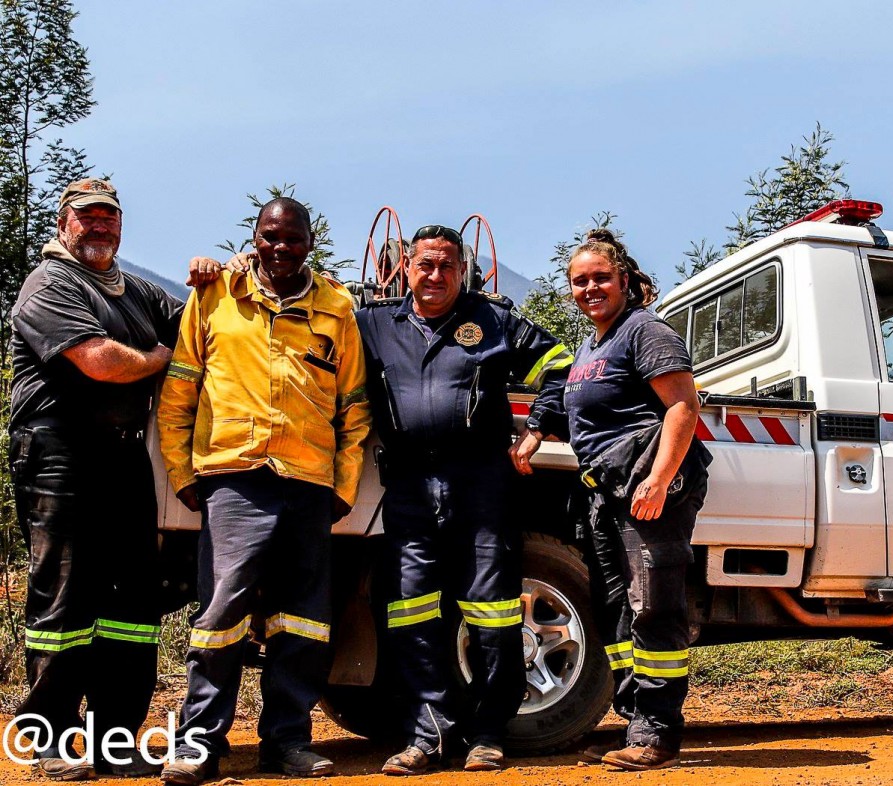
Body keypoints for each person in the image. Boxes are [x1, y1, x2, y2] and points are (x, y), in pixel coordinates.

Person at [190, 223, 574, 774]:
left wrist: (538, 426)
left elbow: (559, 364)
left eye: (447, 265)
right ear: (406, 269)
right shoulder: (372, 321)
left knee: (491, 616)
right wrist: (228, 269)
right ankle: (427, 736)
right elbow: (305, 303)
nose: (435, 275)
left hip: (481, 485)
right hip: (410, 488)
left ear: (462, 270)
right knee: (410, 616)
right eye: (425, 264)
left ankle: (489, 733)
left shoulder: (492, 320)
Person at [157, 198, 370, 784]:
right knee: (220, 617)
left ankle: (288, 742)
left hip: (308, 484)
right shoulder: (216, 295)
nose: (282, 248)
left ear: (310, 242)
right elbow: (180, 389)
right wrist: (183, 472)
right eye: (270, 237)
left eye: (293, 238)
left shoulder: (336, 307)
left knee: (300, 621)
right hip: (234, 480)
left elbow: (354, 406)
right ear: (254, 237)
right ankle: (199, 742)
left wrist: (343, 486)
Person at [512, 228, 707, 771]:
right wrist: (535, 430)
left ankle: (659, 735)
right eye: (579, 281)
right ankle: (635, 725)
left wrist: (660, 479)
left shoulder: (643, 330)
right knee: (616, 611)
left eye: (601, 277)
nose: (590, 288)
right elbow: (571, 402)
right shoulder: (592, 345)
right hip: (606, 493)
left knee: (654, 610)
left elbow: (683, 407)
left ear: (624, 279)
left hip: (648, 489)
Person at [8, 178, 183, 780]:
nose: (100, 226)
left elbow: (198, 323)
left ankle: (115, 740)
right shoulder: (50, 284)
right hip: (59, 453)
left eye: (109, 216)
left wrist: (226, 275)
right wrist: (159, 360)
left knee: (132, 604)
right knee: (65, 598)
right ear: (65, 223)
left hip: (124, 456)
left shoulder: (134, 291)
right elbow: (101, 361)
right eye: (88, 217)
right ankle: (50, 741)